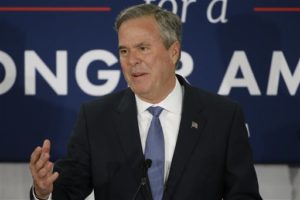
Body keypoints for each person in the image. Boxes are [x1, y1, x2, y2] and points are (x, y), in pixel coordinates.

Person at [29, 3, 262, 200]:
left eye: (142, 48)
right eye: (124, 51)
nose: (132, 61)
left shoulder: (222, 116)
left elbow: (244, 195)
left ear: (173, 52)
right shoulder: (96, 118)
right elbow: (68, 188)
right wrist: (44, 191)